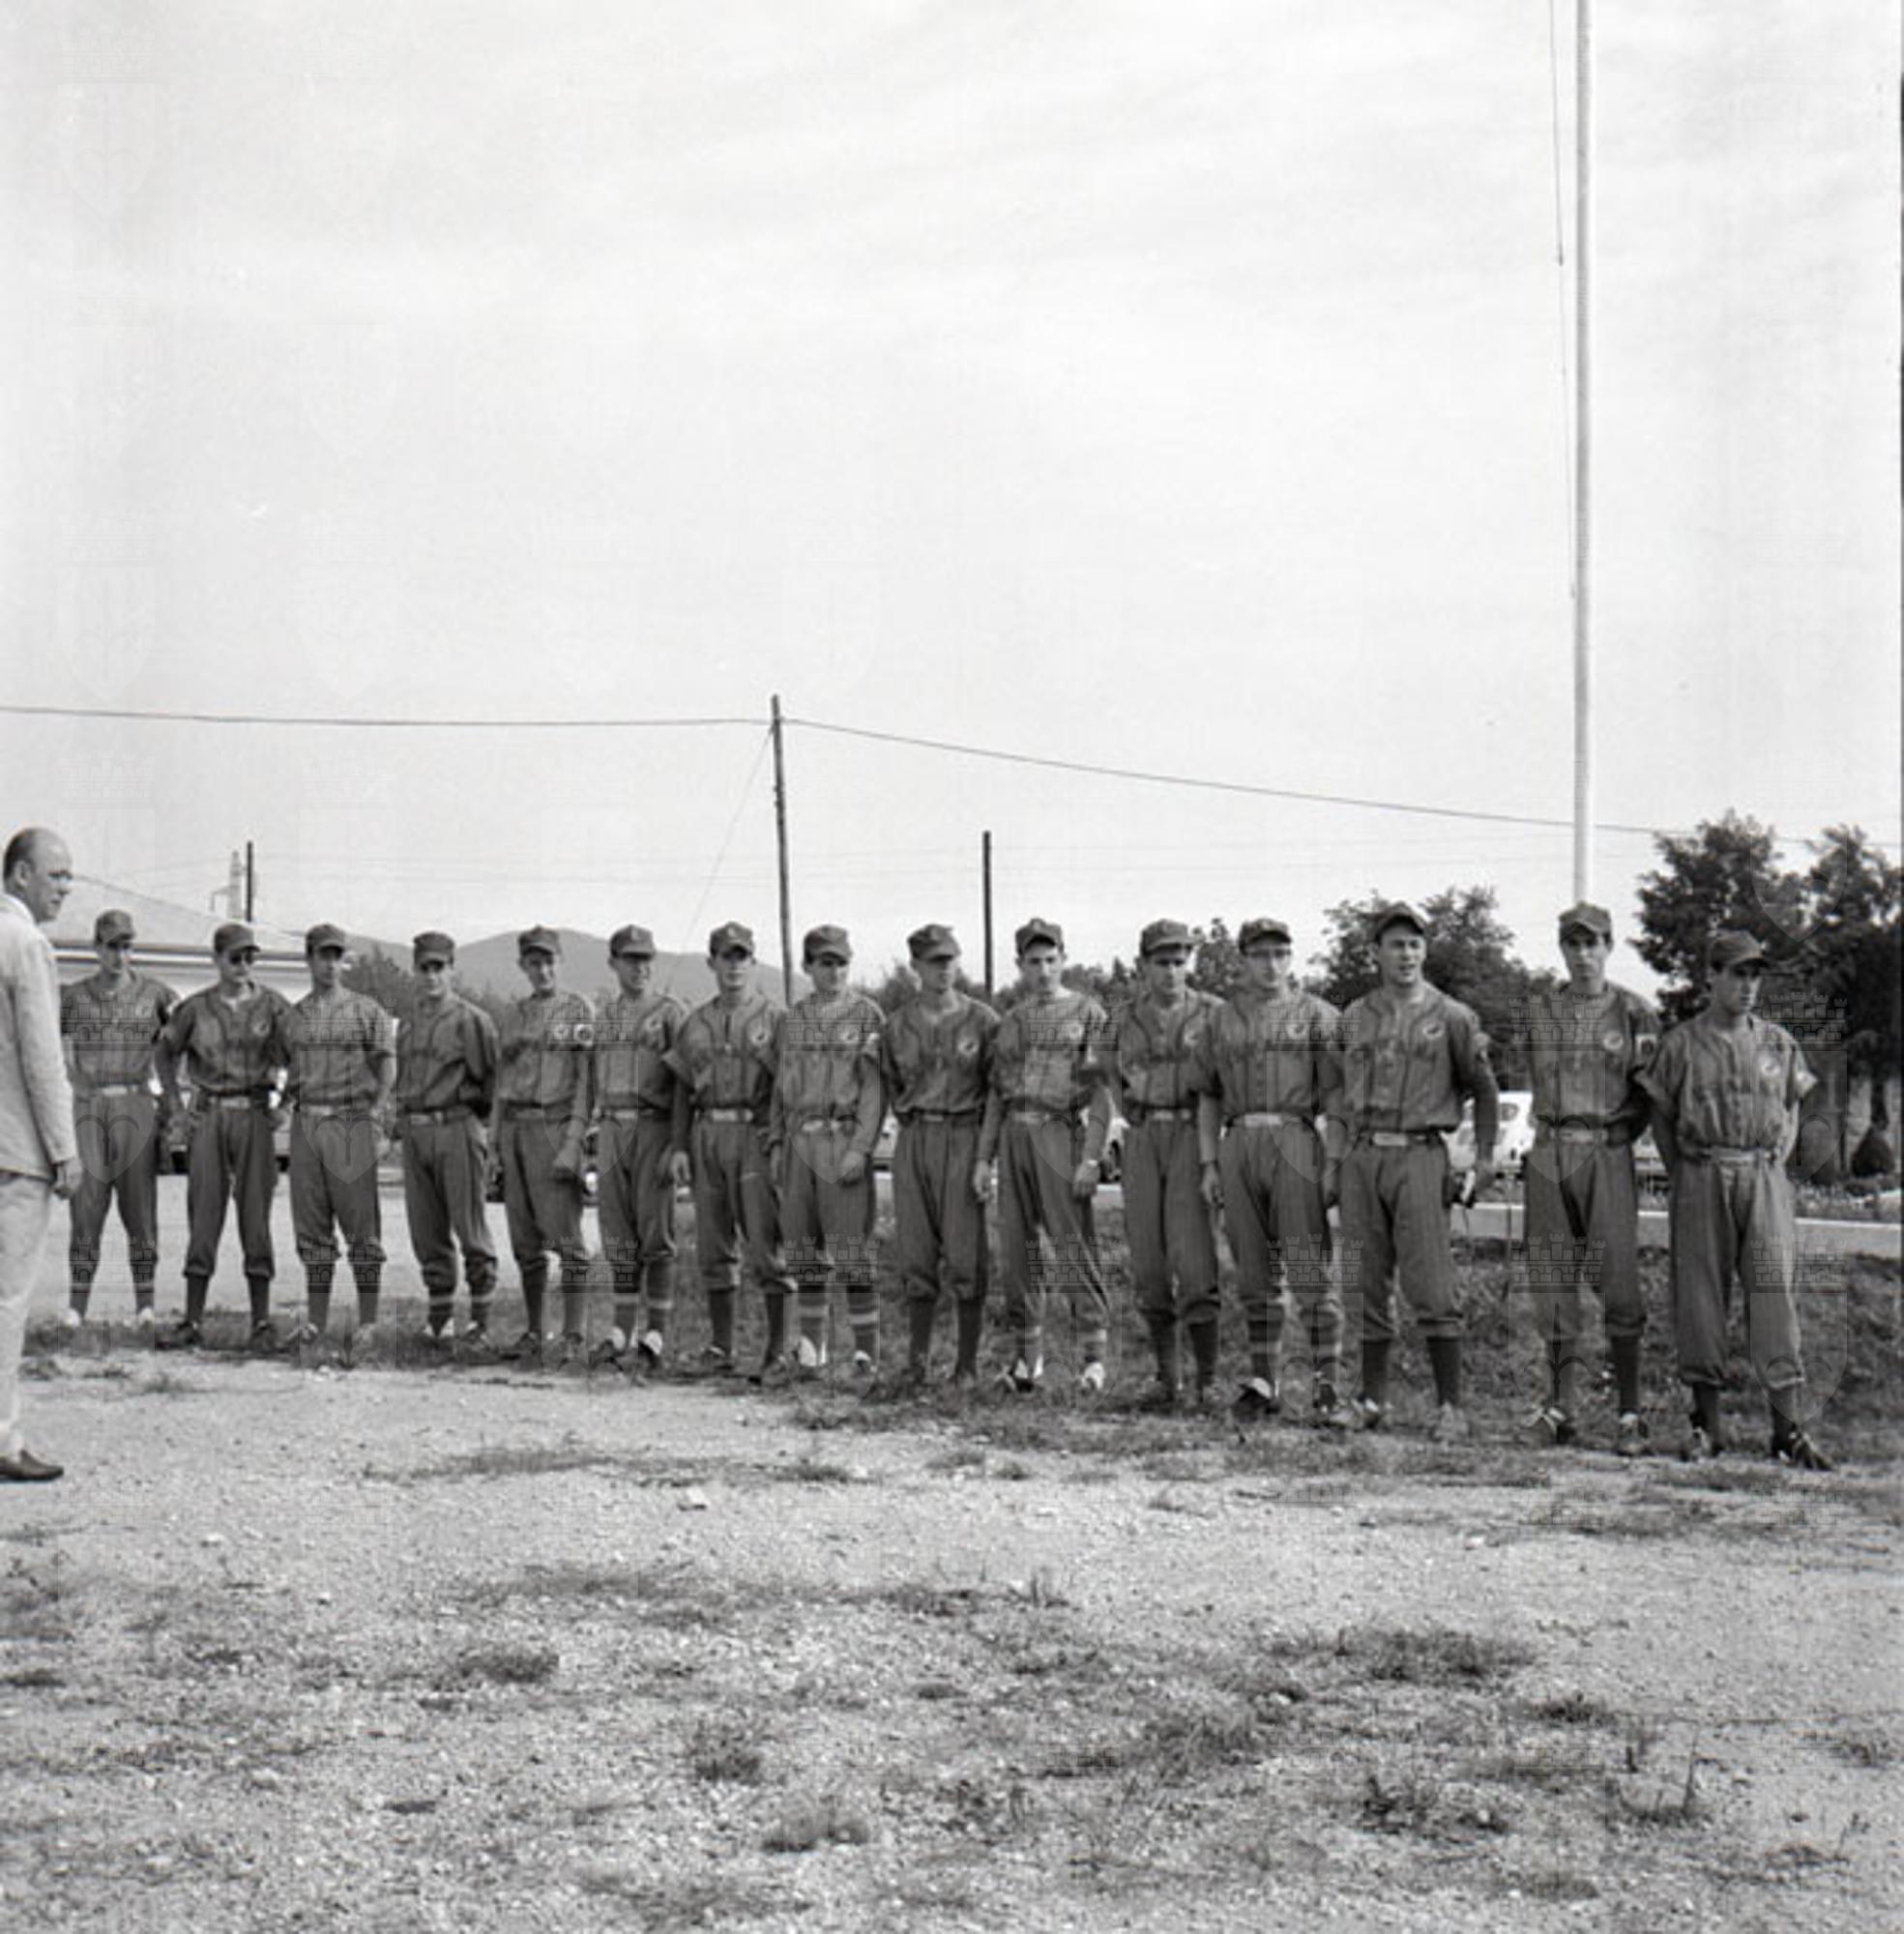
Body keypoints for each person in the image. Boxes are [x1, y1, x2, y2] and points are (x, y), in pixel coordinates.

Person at [1637, 930, 1832, 1469]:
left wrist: (1777, 1156)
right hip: (1703, 1172)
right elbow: (1661, 1115)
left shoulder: (1777, 1043)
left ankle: (1787, 1431)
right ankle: (1706, 1427)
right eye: (1736, 974)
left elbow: (1793, 1103)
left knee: (1774, 1291)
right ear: (1712, 977)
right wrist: (1684, 1171)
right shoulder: (1681, 1043)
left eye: (1754, 976)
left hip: (1762, 1175)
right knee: (1700, 1296)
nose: (1747, 986)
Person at [1337, 902, 1499, 1441]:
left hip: (1420, 1153)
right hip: (1365, 1153)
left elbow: (1484, 1089)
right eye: (1395, 945)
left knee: (1431, 1283)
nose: (1405, 954)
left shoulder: (1452, 1015)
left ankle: (1450, 1406)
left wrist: (1483, 1158)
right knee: (1364, 1279)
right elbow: (1335, 1088)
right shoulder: (1355, 1016)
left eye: (1414, 944)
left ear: (1425, 950)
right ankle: (1370, 1399)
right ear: (1376, 953)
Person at [1193, 917, 1352, 1427]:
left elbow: (1336, 1094)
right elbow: (1208, 1094)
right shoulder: (1220, 1020)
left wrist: (1333, 1161)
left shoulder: (1317, 1014)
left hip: (1294, 1137)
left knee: (1308, 1268)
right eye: (1260, 954)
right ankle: (1265, 1383)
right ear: (1243, 958)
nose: (1271, 963)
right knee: (1254, 1273)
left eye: (1281, 953)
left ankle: (1327, 1389)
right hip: (1239, 1138)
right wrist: (1209, 1164)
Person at [1520, 901, 1659, 1454]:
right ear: (1562, 948)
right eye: (1573, 944)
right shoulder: (1540, 1011)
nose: (1583, 954)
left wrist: (1617, 1136)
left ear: (1609, 946)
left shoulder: (1634, 1012)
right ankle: (1560, 1406)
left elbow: (1649, 1094)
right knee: (1553, 1282)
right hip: (1551, 1147)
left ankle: (1629, 1412)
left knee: (1618, 1281)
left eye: (1592, 943)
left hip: (1606, 1149)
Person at [977, 918, 1114, 1393]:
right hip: (1015, 1131)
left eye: (1051, 960)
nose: (1043, 970)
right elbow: (995, 1096)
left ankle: (1093, 1360)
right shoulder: (1010, 1022)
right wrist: (984, 1158)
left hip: (1060, 1130)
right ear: (1020, 965)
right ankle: (1027, 1361)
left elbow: (1102, 1093)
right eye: (1033, 961)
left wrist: (1092, 1158)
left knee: (1073, 1244)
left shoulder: (1087, 1012)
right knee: (1019, 1250)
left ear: (1064, 959)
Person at [154, 923, 296, 1352]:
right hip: (210, 1114)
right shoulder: (195, 1009)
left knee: (256, 1216)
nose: (243, 965)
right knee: (203, 1214)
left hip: (254, 1113)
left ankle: (262, 1322)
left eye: (250, 957)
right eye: (235, 957)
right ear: (216, 959)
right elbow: (164, 1052)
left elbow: (303, 1054)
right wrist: (176, 1107)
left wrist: (286, 1105)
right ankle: (192, 1320)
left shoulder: (273, 1006)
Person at [665, 923, 793, 1379]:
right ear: (712, 963)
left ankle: (777, 1351)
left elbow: (785, 1089)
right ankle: (721, 1347)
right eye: (726, 956)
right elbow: (682, 1089)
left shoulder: (774, 1019)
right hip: (708, 1130)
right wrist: (679, 1145)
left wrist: (777, 1142)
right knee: (713, 1242)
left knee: (765, 1241)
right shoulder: (695, 1022)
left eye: (742, 956)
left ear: (753, 962)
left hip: (753, 1131)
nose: (734, 965)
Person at [1104, 920, 1221, 1408]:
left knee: (1193, 1261)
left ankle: (1207, 1381)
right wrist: (1125, 1106)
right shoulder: (1122, 1017)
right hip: (1144, 1133)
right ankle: (1166, 1379)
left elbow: (1224, 1078)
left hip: (1191, 1131)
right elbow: (1107, 1069)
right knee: (1148, 1262)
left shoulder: (1213, 1012)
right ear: (1143, 964)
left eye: (1179, 961)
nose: (1172, 971)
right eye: (1161, 962)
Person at [880, 924, 997, 1387]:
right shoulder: (896, 1025)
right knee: (916, 1251)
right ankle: (918, 1361)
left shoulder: (982, 1021)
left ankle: (966, 1365)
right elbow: (890, 1083)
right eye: (933, 961)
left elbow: (995, 1091)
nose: (943, 969)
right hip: (915, 1136)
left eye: (949, 960)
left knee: (966, 1254)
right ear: (916, 966)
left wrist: (985, 1155)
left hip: (964, 1134)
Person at [0, 829, 81, 1480]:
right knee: (6, 1301)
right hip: (16, 1152)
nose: (65, 889)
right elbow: (42, 1057)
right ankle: (2, 1441)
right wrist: (64, 1149)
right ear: (21, 874)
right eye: (55, 876)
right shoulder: (26, 944)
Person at [772, 925, 885, 1381]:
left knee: (851, 1252)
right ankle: (811, 1351)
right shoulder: (792, 1019)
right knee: (802, 1250)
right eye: (825, 963)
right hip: (800, 1140)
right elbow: (779, 1088)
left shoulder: (866, 1015)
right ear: (807, 966)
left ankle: (866, 1356)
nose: (834, 971)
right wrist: (776, 1143)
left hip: (842, 1138)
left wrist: (862, 1148)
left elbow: (874, 1090)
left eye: (841, 963)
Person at [59, 908, 177, 1331]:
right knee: (86, 1205)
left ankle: (145, 1304)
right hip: (90, 1104)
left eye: (126, 946)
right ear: (97, 947)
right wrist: (72, 1080)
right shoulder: (74, 997)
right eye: (111, 946)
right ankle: (77, 1306)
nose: (119, 955)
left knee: (139, 1206)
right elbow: (53, 1046)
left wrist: (170, 1092)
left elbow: (183, 1039)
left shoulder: (155, 994)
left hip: (135, 1102)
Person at [283, 924, 395, 1364]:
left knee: (360, 1222)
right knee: (311, 1225)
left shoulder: (366, 1010)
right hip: (308, 1118)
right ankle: (316, 1320)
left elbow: (386, 1066)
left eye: (337, 956)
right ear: (309, 959)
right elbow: (280, 1066)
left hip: (350, 1118)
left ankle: (368, 1320)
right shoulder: (293, 1017)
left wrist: (378, 1114)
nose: (330, 965)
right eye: (322, 956)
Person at [393, 931, 501, 1353]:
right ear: (415, 970)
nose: (431, 976)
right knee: (426, 1228)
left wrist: (479, 1125)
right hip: (416, 1128)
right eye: (424, 967)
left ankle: (480, 1321)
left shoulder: (472, 1020)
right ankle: (439, 1320)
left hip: (456, 1123)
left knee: (470, 1226)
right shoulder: (408, 1023)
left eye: (439, 967)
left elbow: (491, 1080)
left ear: (452, 969)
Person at [493, 926, 594, 1366]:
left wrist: (575, 1141)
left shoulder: (577, 1010)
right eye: (534, 963)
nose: (543, 970)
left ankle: (574, 1334)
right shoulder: (514, 1015)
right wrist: (494, 1142)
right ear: (523, 966)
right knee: (524, 1237)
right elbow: (501, 1083)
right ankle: (535, 1331)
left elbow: (586, 1081)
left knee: (566, 1237)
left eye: (549, 961)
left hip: (554, 1125)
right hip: (516, 1126)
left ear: (560, 962)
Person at [589, 924, 685, 1375]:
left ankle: (656, 1334)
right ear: (614, 963)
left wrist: (678, 1143)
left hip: (653, 1125)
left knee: (655, 1233)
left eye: (646, 959)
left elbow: (683, 1086)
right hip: (612, 1125)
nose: (639, 967)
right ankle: (621, 1330)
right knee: (618, 1232)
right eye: (630, 959)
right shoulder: (605, 1016)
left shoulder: (669, 1013)